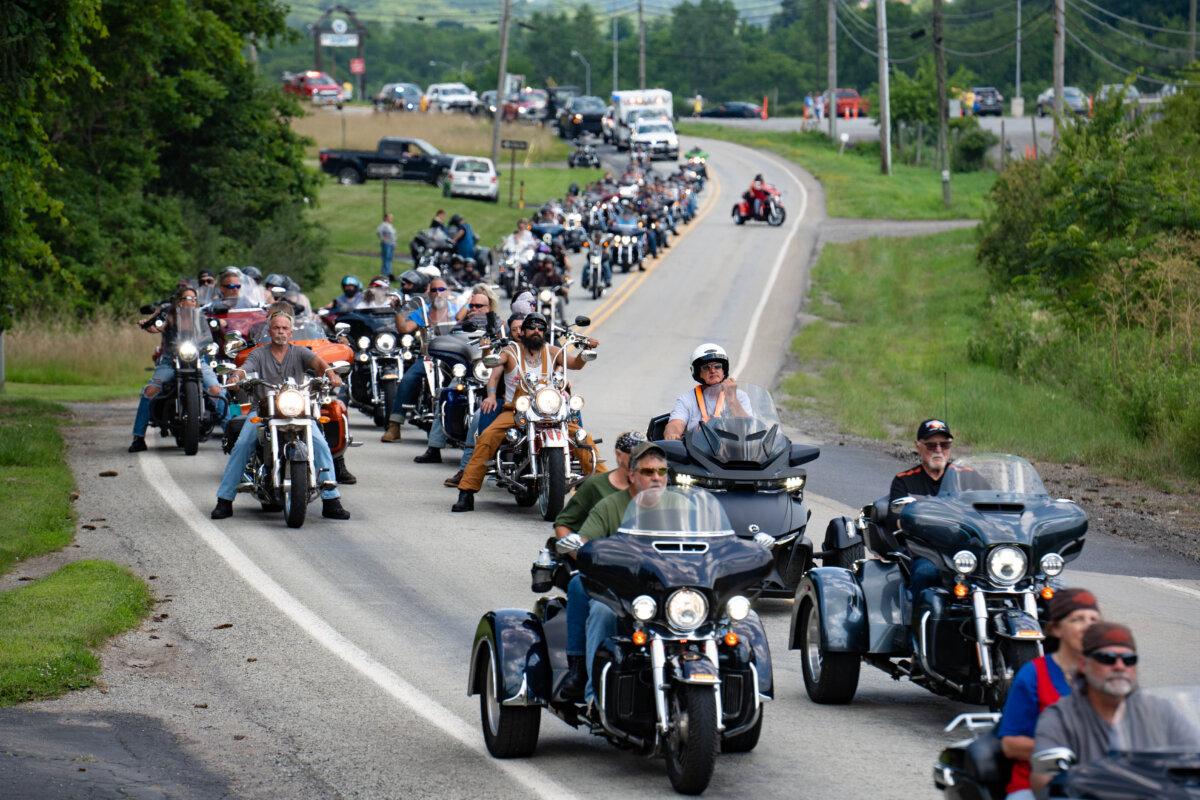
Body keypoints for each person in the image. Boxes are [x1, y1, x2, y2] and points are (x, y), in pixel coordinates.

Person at [451, 312, 604, 511]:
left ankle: (604, 491)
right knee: (487, 437)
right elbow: (494, 365)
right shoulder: (511, 351)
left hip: (550, 410)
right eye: (532, 327)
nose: (536, 331)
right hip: (516, 410)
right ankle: (466, 493)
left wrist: (584, 353)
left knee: (584, 439)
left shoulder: (552, 351)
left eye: (540, 328)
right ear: (522, 331)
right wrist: (489, 359)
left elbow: (575, 364)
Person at [556, 442, 671, 701]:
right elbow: (585, 545)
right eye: (648, 472)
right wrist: (585, 550)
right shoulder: (609, 506)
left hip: (669, 592)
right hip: (622, 591)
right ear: (631, 475)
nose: (656, 478)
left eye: (662, 472)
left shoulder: (681, 507)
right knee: (600, 610)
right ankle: (593, 695)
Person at [210, 311, 350, 521]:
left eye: (285, 328)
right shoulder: (259, 353)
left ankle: (331, 500)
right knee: (243, 444)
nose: (281, 332)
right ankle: (224, 500)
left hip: (298, 410)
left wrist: (330, 374)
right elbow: (246, 368)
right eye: (277, 328)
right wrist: (236, 376)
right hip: (264, 410)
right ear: (269, 331)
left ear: (291, 332)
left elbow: (319, 363)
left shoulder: (300, 352)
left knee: (320, 443)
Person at [1033, 622, 1200, 791]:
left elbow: (1192, 753)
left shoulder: (1161, 711)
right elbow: (1043, 778)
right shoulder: (1060, 716)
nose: (1120, 666)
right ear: (1084, 664)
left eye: (1129, 660)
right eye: (1107, 658)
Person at [996, 588, 1102, 800]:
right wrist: (1066, 752)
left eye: (1093, 620)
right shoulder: (1033, 675)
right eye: (1078, 619)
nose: (1087, 626)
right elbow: (1010, 744)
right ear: (1056, 628)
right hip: (1035, 786)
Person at [129, 286, 226, 452]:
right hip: (171, 360)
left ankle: (231, 434)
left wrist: (219, 322)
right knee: (150, 391)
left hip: (198, 360)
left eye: (193, 299)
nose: (190, 302)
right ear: (178, 301)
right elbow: (157, 326)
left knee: (218, 391)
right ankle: (138, 437)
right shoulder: (170, 316)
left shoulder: (201, 317)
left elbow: (216, 326)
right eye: (186, 298)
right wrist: (148, 324)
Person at [442, 313, 524, 488]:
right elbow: (491, 368)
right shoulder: (505, 349)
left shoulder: (540, 348)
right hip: (506, 404)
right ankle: (468, 470)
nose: (519, 332)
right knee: (480, 417)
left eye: (522, 328)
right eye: (515, 329)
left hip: (536, 405)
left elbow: (559, 362)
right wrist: (492, 396)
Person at [381, 277, 462, 443]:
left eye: (441, 289)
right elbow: (404, 328)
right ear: (429, 293)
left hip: (452, 358)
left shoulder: (457, 311)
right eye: (434, 290)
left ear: (447, 291)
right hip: (428, 358)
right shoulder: (422, 312)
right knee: (408, 379)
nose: (438, 293)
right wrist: (397, 311)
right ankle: (394, 425)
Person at [663, 343, 752, 440]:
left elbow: (749, 428)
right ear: (698, 373)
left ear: (723, 370)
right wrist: (672, 433)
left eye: (717, 366)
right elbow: (675, 423)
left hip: (732, 449)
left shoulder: (740, 396)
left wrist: (732, 400)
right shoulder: (686, 399)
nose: (712, 370)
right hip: (697, 451)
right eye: (706, 367)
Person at [377, 213, 396, 277]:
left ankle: (389, 271)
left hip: (391, 244)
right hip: (386, 244)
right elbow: (379, 232)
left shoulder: (390, 225)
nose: (391, 219)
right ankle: (385, 272)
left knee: (389, 258)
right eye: (390, 217)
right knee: (386, 258)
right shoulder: (383, 225)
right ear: (386, 218)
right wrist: (383, 238)